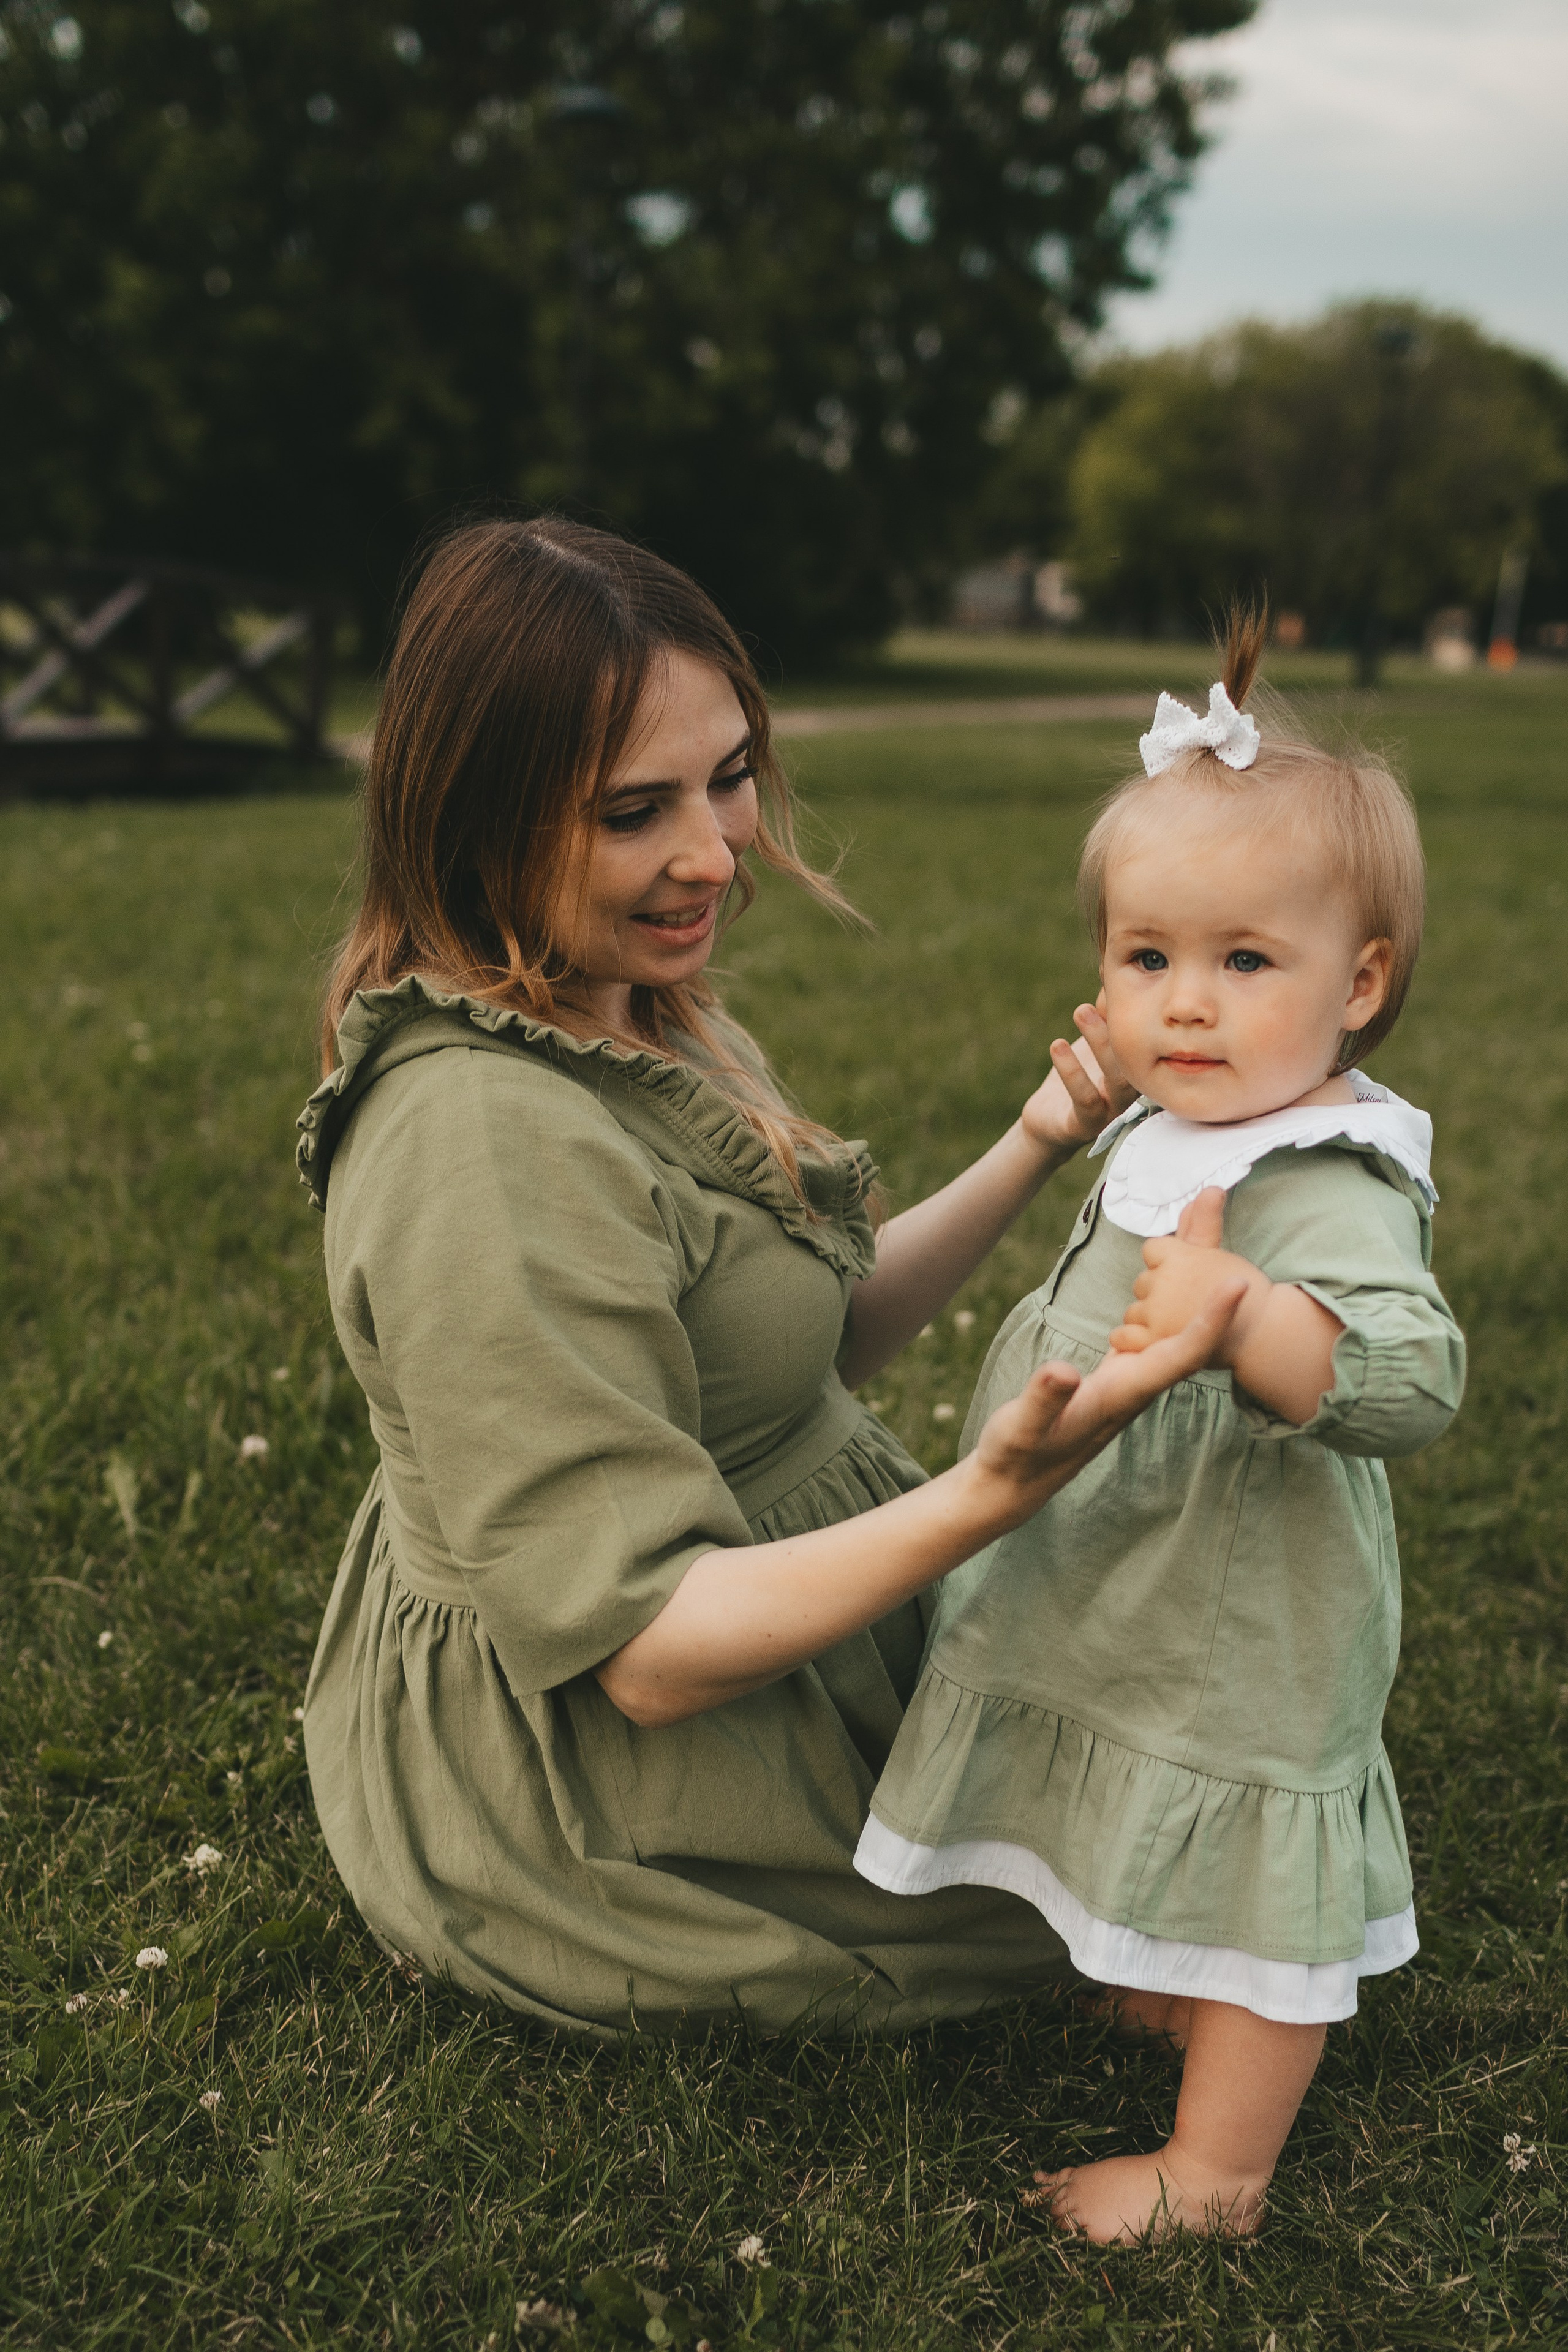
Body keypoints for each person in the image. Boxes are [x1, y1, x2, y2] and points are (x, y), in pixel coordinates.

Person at [297, 516, 1241, 2038]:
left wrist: (1042, 1130)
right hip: (613, 1769)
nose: (714, 851)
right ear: (471, 819)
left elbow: (808, 1348)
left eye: (727, 776)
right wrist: (987, 1500)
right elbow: (645, 1652)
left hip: (787, 1593)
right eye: (631, 809)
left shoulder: (623, 1002)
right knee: (1165, 1900)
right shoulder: (481, 1147)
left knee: (1222, 1748)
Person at [855, 612, 1466, 2234]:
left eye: (1245, 962)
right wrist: (1073, 1110)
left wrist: (1250, 1320)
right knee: (1119, 1760)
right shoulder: (1180, 1104)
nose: (1186, 1006)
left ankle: (1216, 2177)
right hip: (1117, 1570)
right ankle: (1155, 1969)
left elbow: (1414, 1379)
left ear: (1363, 981)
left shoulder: (1328, 1174)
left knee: (1261, 1852)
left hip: (1243, 1614)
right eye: (1147, 959)